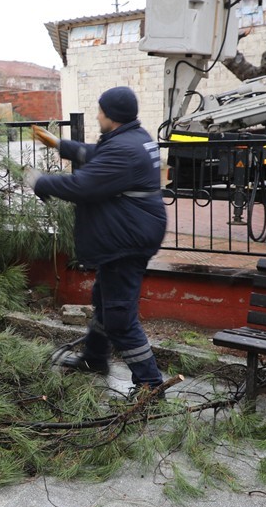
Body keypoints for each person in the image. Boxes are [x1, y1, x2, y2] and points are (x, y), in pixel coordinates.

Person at [23, 86, 169, 396]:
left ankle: (150, 384)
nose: (98, 114)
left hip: (126, 240)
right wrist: (61, 145)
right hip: (130, 232)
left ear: (112, 116)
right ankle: (94, 359)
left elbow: (83, 185)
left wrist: (40, 181)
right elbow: (96, 155)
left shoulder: (124, 149)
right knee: (105, 300)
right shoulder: (134, 138)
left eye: (101, 110)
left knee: (119, 317)